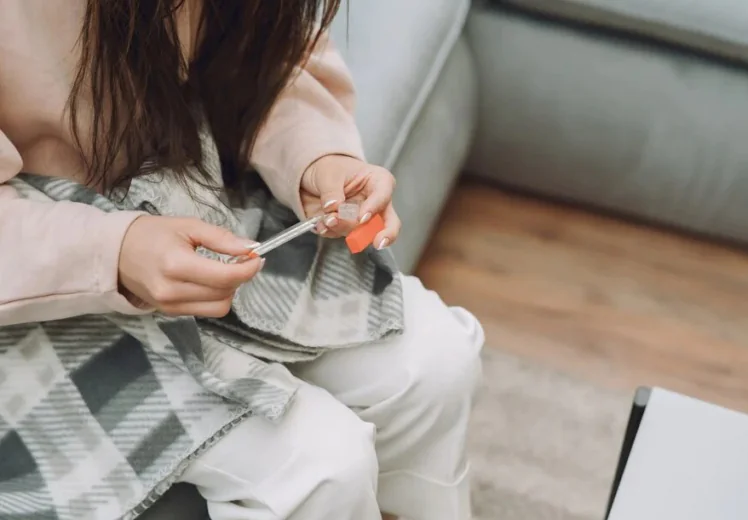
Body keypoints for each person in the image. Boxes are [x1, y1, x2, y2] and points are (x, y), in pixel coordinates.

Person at [0, 1, 483, 520]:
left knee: (438, 361)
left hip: (189, 197)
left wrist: (319, 157)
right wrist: (115, 250)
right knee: (324, 466)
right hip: (34, 274)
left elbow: (265, 57)